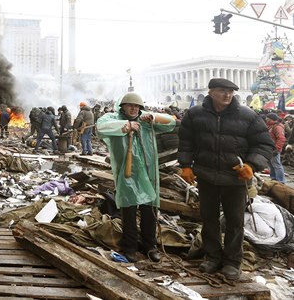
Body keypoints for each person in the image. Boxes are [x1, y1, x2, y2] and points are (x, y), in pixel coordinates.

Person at [178, 78, 273, 280]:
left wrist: (251, 165)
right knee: (209, 219)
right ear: (211, 92)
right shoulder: (195, 115)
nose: (227, 95)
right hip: (206, 176)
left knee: (235, 221)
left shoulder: (248, 116)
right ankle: (213, 257)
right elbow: (186, 142)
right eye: (222, 91)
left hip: (234, 179)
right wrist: (185, 165)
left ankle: (232, 262)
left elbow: (264, 145)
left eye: (230, 91)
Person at [97, 92, 175, 263]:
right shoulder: (113, 118)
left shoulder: (146, 122)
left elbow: (171, 122)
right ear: (122, 106)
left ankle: (150, 246)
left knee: (149, 211)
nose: (134, 108)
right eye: (130, 105)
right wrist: (126, 126)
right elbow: (101, 127)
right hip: (128, 174)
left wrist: (153, 116)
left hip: (148, 172)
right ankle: (130, 247)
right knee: (129, 211)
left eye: (137, 106)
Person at [266, 113, 286, 182]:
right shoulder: (270, 126)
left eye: (267, 117)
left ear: (271, 119)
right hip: (270, 149)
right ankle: (273, 179)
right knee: (271, 165)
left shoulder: (277, 127)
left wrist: (276, 149)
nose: (266, 119)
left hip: (274, 149)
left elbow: (281, 138)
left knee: (276, 165)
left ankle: (280, 181)